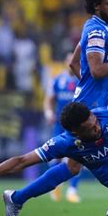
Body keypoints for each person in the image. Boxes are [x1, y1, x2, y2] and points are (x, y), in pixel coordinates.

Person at [1, 0, 108, 216]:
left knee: (73, 166)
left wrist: (85, 88)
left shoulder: (99, 28)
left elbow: (75, 63)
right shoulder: (97, 30)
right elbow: (97, 70)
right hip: (91, 111)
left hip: (93, 104)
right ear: (96, 6)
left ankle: (17, 197)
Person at [43, 53, 81, 203]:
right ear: (66, 63)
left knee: (78, 156)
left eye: (75, 60)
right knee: (55, 155)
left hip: (77, 125)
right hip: (60, 124)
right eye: (70, 60)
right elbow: (48, 99)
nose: (72, 63)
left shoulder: (82, 79)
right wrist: (48, 113)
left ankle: (72, 190)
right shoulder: (57, 80)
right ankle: (55, 186)